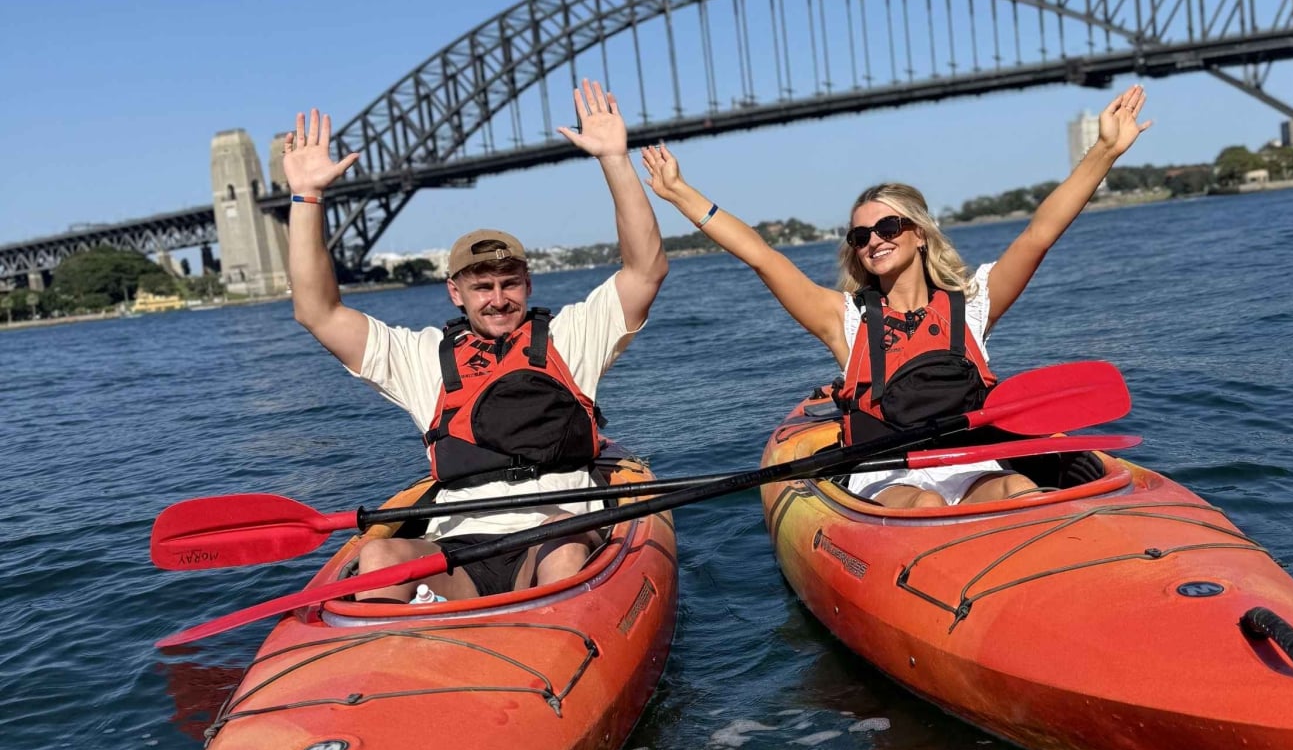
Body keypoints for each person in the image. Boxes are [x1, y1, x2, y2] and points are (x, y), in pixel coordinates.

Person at [642, 85, 1151, 508]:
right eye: (860, 236)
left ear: (919, 233)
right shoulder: (842, 319)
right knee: (926, 505)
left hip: (969, 461)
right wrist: (681, 192)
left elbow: (1040, 233)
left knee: (1017, 489)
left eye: (887, 225)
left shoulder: (971, 305)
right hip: (886, 474)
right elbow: (762, 256)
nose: (874, 240)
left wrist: (1104, 150)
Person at [282, 79, 668, 599]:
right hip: (460, 548)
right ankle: (386, 664)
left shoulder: (571, 337)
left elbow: (645, 270)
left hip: (557, 539)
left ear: (528, 285)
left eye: (510, 283)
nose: (498, 298)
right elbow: (318, 311)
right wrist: (307, 198)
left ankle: (556, 652)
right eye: (481, 286)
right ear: (454, 293)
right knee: (378, 555)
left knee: (566, 550)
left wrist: (614, 158)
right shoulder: (421, 358)